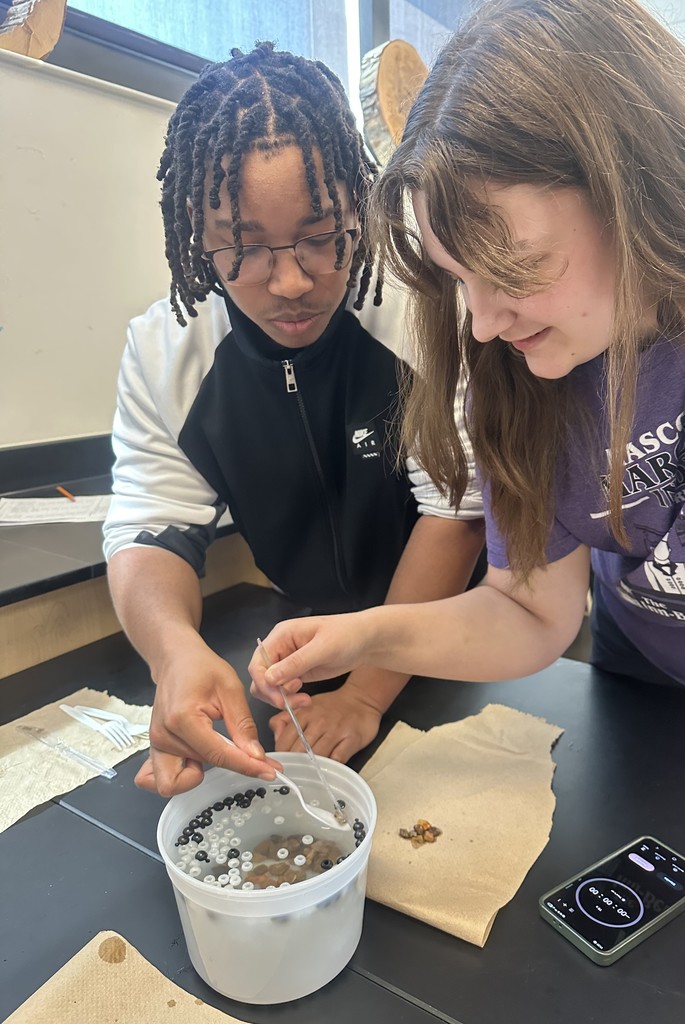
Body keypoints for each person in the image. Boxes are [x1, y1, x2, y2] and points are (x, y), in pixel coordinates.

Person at [248, 0, 685, 1011]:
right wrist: (363, 636)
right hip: (651, 695)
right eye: (459, 281)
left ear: (630, 182)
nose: (483, 322)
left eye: (511, 268)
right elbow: (531, 610)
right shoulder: (523, 369)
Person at [103, 43, 485, 798]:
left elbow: (458, 512)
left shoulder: (424, 307)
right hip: (304, 632)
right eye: (244, 248)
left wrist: (367, 691)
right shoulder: (164, 351)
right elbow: (149, 525)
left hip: (457, 629)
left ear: (360, 206)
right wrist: (174, 653)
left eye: (321, 236)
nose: (289, 282)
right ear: (197, 231)